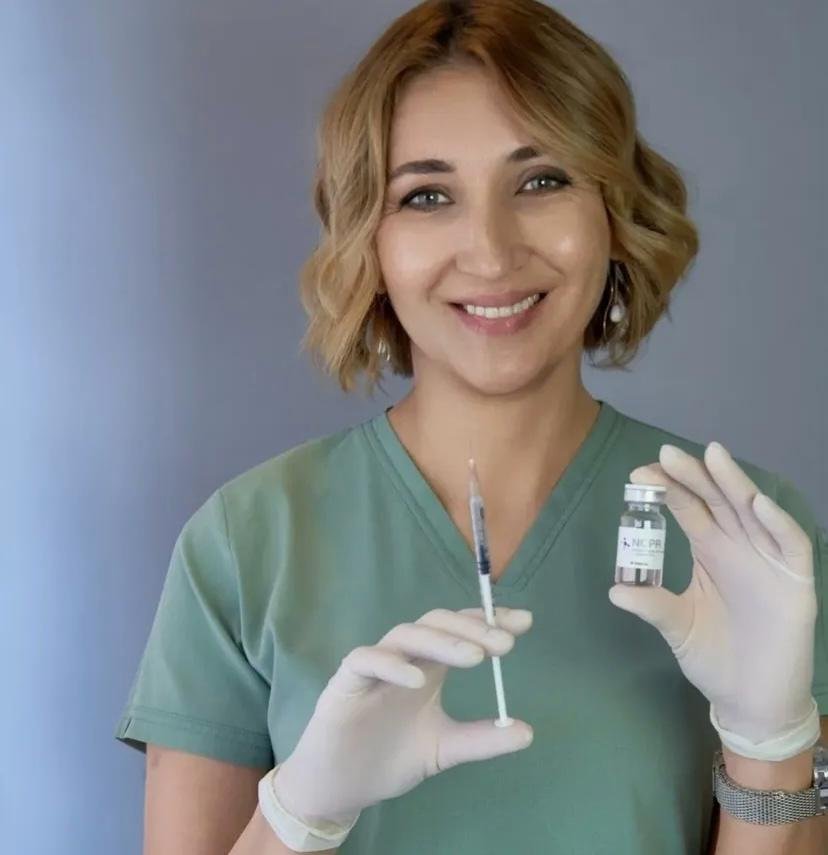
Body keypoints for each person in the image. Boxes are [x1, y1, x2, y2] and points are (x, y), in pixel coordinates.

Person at [114, 1, 828, 852]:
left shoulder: (746, 540)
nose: (490, 251)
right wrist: (299, 811)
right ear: (369, 242)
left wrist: (770, 743)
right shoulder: (245, 544)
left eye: (542, 180)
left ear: (613, 208)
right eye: (427, 195)